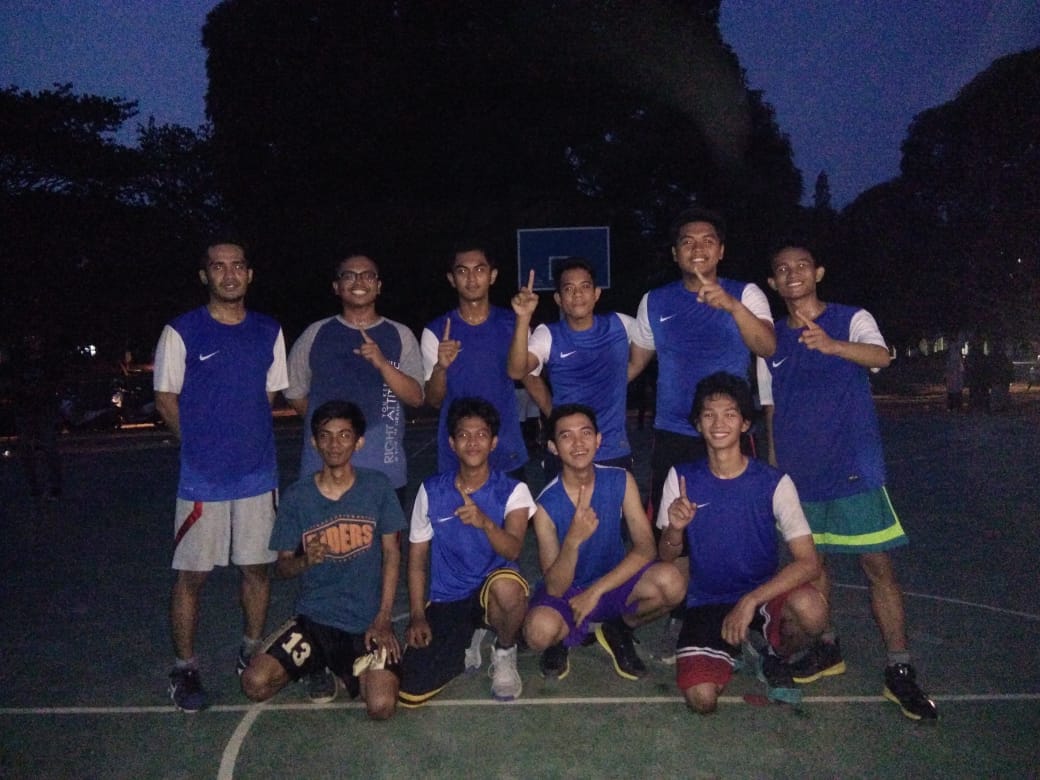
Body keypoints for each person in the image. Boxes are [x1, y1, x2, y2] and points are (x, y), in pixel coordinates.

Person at [758, 242, 937, 721]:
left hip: (853, 469)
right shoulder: (769, 340)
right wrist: (775, 471)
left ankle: (899, 667)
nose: (792, 274)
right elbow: (770, 408)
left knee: (877, 567)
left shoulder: (851, 318)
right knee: (813, 567)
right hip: (799, 475)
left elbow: (882, 356)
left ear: (817, 272)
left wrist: (832, 345)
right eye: (782, 269)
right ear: (773, 283)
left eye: (801, 266)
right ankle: (828, 646)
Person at [628, 207, 776, 660]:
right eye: (687, 242)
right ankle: (682, 612)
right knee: (676, 526)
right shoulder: (654, 302)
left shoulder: (745, 293)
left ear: (721, 250)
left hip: (730, 433)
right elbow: (633, 365)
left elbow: (767, 345)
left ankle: (746, 615)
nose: (698, 248)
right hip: (674, 431)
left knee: (738, 525)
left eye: (707, 240)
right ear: (675, 253)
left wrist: (731, 306)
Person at [153, 238, 288, 712]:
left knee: (257, 569)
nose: (229, 275)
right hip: (202, 481)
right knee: (192, 575)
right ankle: (184, 668)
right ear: (204, 275)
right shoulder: (182, 331)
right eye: (218, 267)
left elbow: (268, 396)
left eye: (237, 266)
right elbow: (165, 398)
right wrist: (201, 447)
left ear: (249, 274)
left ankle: (251, 650)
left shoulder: (269, 330)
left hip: (257, 476)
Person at [657, 372, 827, 714]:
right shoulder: (681, 478)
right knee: (702, 700)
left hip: (761, 596)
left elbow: (809, 562)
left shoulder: (774, 482)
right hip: (706, 600)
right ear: (698, 424)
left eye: (730, 414)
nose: (719, 423)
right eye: (709, 415)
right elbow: (666, 555)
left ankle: (773, 654)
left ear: (745, 423)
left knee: (812, 610)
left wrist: (750, 600)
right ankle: (731, 649)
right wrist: (674, 529)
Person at [240, 401, 406, 719]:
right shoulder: (297, 497)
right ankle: (316, 664)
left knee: (381, 706)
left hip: (366, 623)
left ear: (359, 442)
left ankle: (341, 668)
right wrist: (305, 561)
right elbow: (282, 567)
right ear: (314, 442)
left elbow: (392, 553)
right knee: (255, 684)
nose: (334, 444)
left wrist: (384, 617)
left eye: (344, 435)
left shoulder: (378, 487)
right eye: (325, 436)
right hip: (314, 622)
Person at [522, 404, 685, 681]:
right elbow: (555, 586)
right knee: (538, 633)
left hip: (613, 581)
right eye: (566, 436)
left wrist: (596, 591)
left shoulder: (621, 480)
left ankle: (618, 627)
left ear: (598, 440)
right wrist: (572, 541)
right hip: (569, 593)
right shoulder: (545, 506)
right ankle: (561, 638)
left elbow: (646, 548)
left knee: (673, 583)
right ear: (552, 447)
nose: (578, 443)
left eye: (586, 433)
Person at [399, 397, 535, 704]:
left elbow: (513, 550)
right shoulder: (431, 490)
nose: (473, 442)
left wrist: (485, 522)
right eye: (464, 435)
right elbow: (417, 560)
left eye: (481, 435)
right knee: (410, 689)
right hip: (449, 596)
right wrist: (418, 614)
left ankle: (504, 650)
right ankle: (470, 635)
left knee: (508, 589)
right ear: (452, 443)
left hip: (493, 587)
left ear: (493, 442)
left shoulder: (513, 490)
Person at [285, 253, 424, 508]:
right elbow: (294, 392)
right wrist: (329, 426)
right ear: (336, 287)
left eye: (367, 275)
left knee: (387, 535)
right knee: (321, 535)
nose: (359, 281)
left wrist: (382, 364)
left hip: (384, 469)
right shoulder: (316, 334)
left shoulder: (400, 334)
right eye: (349, 276)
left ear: (378, 286)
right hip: (322, 471)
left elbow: (416, 397)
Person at [508, 258, 636, 476]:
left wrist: (621, 378)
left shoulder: (620, 325)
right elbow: (517, 371)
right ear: (558, 299)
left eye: (585, 287)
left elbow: (650, 346)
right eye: (569, 288)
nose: (577, 294)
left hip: (614, 448)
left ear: (596, 293)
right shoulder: (548, 334)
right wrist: (523, 318)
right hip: (565, 451)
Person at [421, 241, 532, 477]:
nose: (471, 279)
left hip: (505, 445)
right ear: (452, 279)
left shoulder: (515, 323)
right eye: (462, 271)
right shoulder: (436, 331)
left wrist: (523, 319)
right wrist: (441, 367)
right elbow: (434, 400)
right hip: (457, 451)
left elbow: (517, 372)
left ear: (492, 276)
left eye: (480, 270)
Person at [8, 330, 63, 500]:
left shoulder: (47, 361)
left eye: (36, 339)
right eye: (30, 339)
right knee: (26, 449)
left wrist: (48, 395)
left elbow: (55, 382)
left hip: (43, 409)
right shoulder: (20, 362)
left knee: (49, 447)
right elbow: (13, 383)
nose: (33, 343)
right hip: (26, 409)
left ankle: (54, 485)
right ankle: (34, 486)